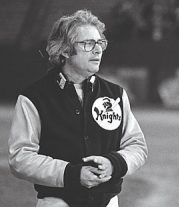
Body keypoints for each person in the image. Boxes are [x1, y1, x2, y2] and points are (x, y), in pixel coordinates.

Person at [8, 9, 147, 207]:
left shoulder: (115, 95)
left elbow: (137, 146)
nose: (98, 50)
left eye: (100, 43)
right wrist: (72, 174)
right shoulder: (34, 97)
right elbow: (20, 158)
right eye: (88, 43)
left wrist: (114, 164)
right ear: (65, 50)